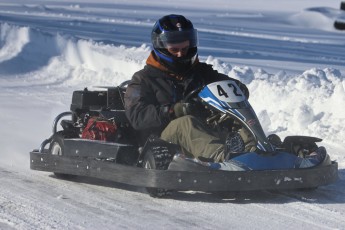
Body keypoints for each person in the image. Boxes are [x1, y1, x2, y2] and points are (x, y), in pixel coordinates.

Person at [124, 14, 252, 162]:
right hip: (161, 142)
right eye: (175, 50)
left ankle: (255, 152)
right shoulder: (143, 79)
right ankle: (224, 159)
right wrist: (172, 111)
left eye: (185, 49)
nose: (180, 54)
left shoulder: (201, 72)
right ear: (161, 47)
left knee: (236, 115)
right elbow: (137, 117)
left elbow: (228, 87)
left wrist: (238, 89)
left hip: (204, 133)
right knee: (185, 122)